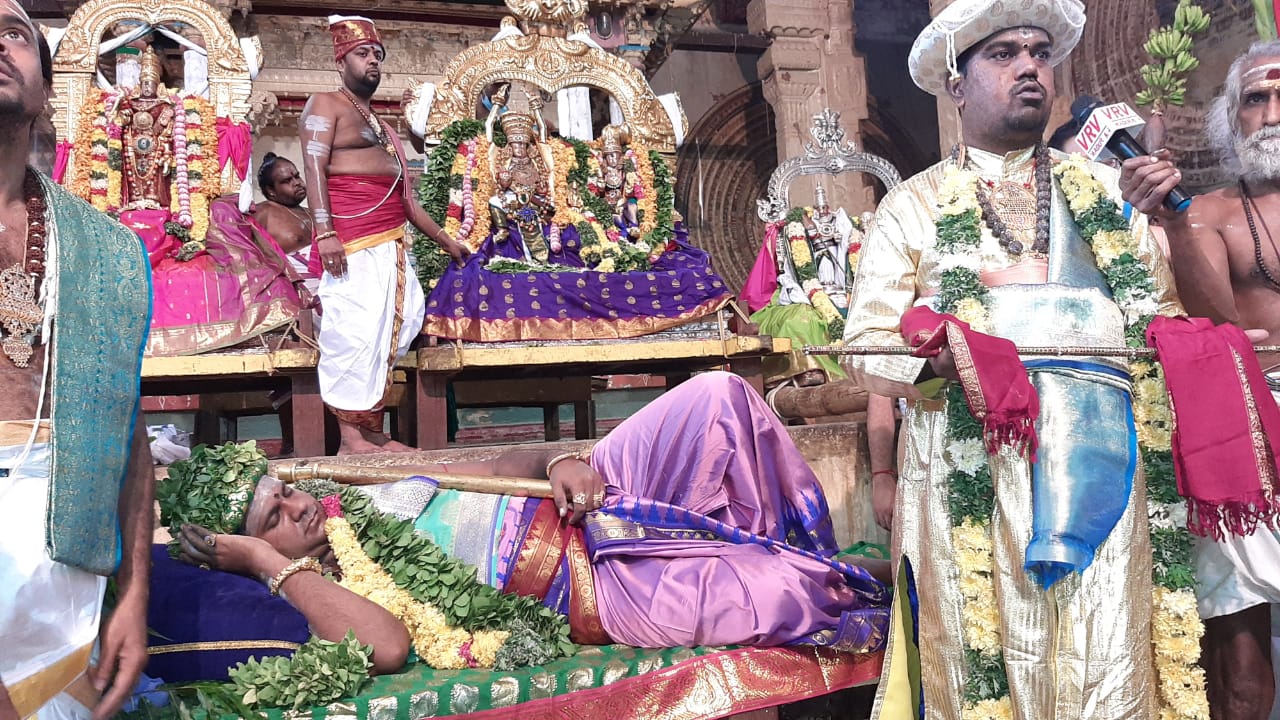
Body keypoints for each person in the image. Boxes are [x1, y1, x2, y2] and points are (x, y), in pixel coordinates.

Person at [841, 1, 1179, 717]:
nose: (1030, 65)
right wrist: (952, 355)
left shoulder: (1101, 194)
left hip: (1104, 470)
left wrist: (1160, 223)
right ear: (956, 85)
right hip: (972, 469)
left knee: (1105, 656)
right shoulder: (914, 204)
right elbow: (866, 343)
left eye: (1038, 52)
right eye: (1003, 54)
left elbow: (1163, 319)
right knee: (982, 666)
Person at [165, 372, 890, 673]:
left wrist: (560, 461)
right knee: (786, 597)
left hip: (586, 498)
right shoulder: (309, 592)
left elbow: (502, 459)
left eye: (282, 491)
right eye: (275, 516)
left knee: (719, 397)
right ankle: (869, 575)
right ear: (244, 549)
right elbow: (385, 647)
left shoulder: (354, 489)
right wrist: (267, 565)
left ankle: (786, 542)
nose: (298, 504)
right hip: (595, 594)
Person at [0, 3, 155, 718]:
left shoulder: (104, 248)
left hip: (64, 567)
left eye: (13, 32)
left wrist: (135, 597)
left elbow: (129, 437)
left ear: (44, 82)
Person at [1120, 39, 1280, 720]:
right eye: (1255, 99)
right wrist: (1174, 218)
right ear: (1231, 119)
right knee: (1239, 659)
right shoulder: (1208, 212)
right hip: (1247, 426)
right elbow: (1217, 324)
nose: (1272, 111)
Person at [298, 15, 467, 455]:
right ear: (341, 60)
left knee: (401, 319)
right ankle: (352, 439)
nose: (372, 60)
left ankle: (371, 432)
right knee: (353, 333)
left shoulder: (384, 128)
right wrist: (324, 231)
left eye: (377, 54)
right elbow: (313, 168)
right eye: (362, 53)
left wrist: (448, 242)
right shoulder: (325, 104)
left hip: (389, 242)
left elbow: (408, 201)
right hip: (349, 242)